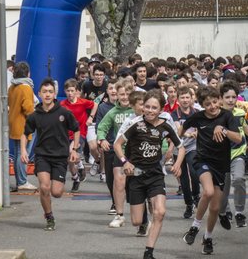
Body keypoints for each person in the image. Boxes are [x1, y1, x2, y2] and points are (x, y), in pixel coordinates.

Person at [114, 90, 185, 259]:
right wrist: (125, 161)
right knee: (136, 222)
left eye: (154, 108)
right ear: (143, 107)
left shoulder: (166, 126)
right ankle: (144, 213)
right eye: (147, 107)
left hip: (155, 174)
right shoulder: (135, 124)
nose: (150, 110)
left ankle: (149, 252)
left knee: (160, 212)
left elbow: (181, 147)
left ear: (161, 109)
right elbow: (117, 144)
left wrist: (177, 163)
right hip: (136, 175)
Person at [181, 86, 242, 255]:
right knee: (207, 192)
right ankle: (194, 227)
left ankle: (207, 238)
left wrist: (223, 129)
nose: (213, 106)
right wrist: (187, 135)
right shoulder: (198, 117)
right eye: (208, 104)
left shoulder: (227, 116)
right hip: (202, 160)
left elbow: (238, 138)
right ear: (202, 105)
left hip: (221, 166)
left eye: (215, 102)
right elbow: (180, 130)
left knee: (215, 208)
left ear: (220, 100)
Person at [21, 77, 80, 231]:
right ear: (39, 94)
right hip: (42, 156)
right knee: (45, 187)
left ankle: (59, 185)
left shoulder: (63, 112)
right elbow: (25, 133)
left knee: (57, 192)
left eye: (50, 92)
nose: (47, 94)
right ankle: (49, 216)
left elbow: (76, 129)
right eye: (45, 91)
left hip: (60, 157)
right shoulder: (35, 115)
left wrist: (74, 150)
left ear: (55, 94)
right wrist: (23, 151)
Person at [218, 81, 248, 229]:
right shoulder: (216, 114)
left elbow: (244, 125)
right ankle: (224, 211)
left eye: (233, 97)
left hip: (238, 153)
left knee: (239, 179)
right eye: (227, 97)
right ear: (221, 98)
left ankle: (239, 212)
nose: (230, 100)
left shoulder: (240, 113)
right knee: (224, 187)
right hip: (221, 157)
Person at [96, 81, 135, 227]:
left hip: (137, 152)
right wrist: (102, 139)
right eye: (122, 94)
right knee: (118, 180)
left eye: (127, 94)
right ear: (116, 95)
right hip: (120, 152)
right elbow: (101, 128)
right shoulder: (112, 113)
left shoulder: (137, 111)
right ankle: (119, 215)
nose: (125, 97)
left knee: (136, 184)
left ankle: (143, 214)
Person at [60, 79, 98, 192]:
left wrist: (91, 117)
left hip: (80, 133)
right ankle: (76, 177)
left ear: (77, 91)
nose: (70, 93)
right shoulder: (62, 105)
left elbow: (95, 104)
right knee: (70, 159)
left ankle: (79, 166)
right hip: (67, 134)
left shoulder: (82, 102)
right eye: (68, 91)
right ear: (65, 91)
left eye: (72, 91)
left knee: (71, 151)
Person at [171, 86, 200, 219]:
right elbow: (178, 129)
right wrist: (188, 134)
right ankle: (189, 204)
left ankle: (196, 196)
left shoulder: (196, 112)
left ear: (192, 98)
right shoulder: (174, 114)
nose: (185, 100)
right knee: (183, 178)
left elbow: (201, 127)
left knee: (194, 173)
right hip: (179, 147)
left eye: (187, 97)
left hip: (193, 147)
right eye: (182, 97)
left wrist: (197, 133)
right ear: (178, 99)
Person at [8, 61, 37, 191]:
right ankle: (22, 181)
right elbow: (28, 108)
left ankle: (20, 180)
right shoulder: (26, 87)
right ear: (28, 73)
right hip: (25, 125)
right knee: (23, 153)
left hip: (13, 123)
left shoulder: (12, 87)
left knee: (17, 153)